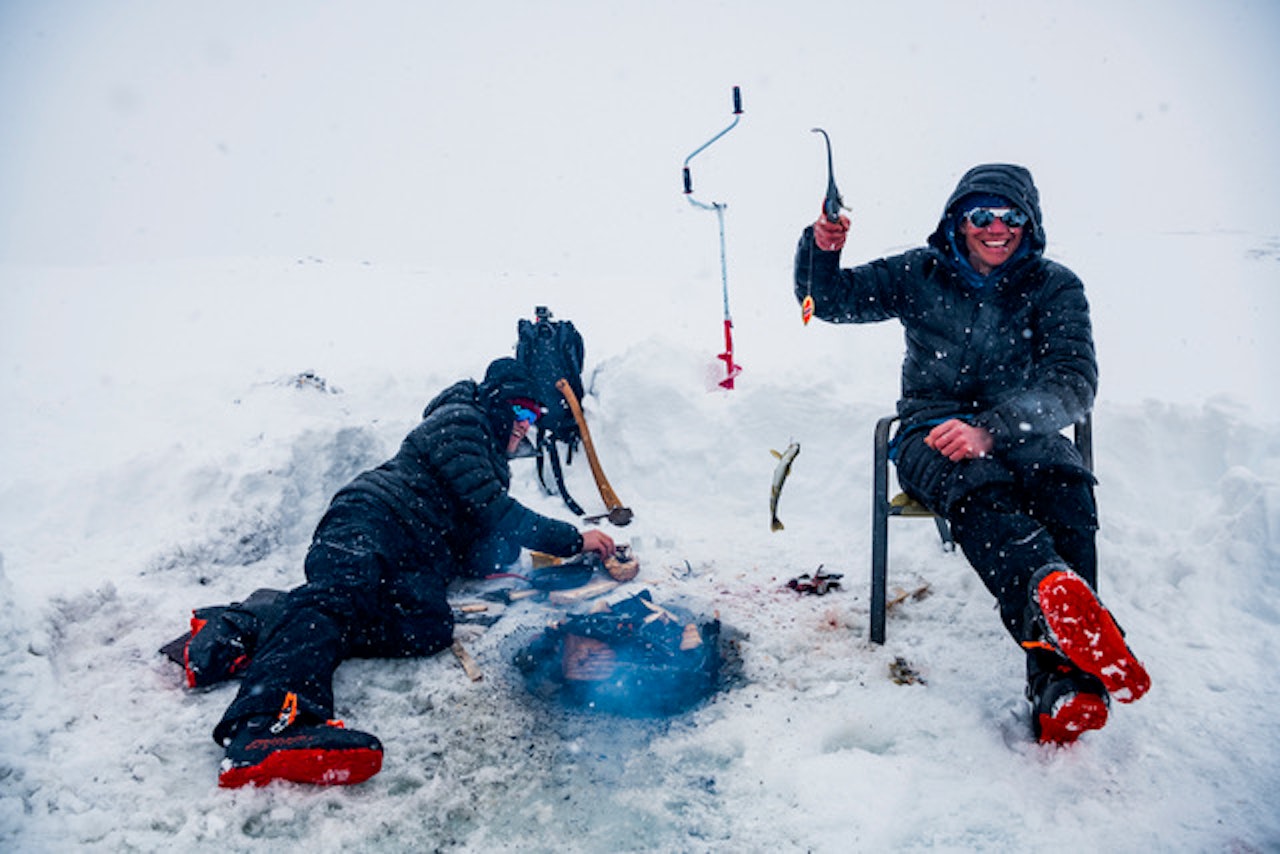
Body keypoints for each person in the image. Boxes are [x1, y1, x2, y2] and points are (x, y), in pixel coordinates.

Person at [793, 163, 1150, 744]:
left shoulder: (1055, 286)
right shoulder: (918, 272)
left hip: (1022, 428)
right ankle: (1056, 624)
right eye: (982, 216)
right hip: (930, 428)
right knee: (980, 490)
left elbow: (1073, 383)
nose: (996, 229)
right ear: (958, 221)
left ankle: (1062, 680)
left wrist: (994, 426)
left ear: (1029, 225)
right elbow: (827, 301)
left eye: (1011, 218)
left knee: (1065, 486)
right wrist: (821, 249)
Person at [209, 357, 615, 787]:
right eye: (518, 412)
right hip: (371, 519)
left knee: (429, 628)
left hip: (409, 551)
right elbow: (494, 510)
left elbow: (477, 531)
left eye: (532, 416)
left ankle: (257, 625)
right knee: (341, 595)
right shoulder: (461, 422)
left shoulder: (485, 450)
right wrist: (573, 539)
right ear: (495, 403)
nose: (524, 425)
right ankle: (266, 724)